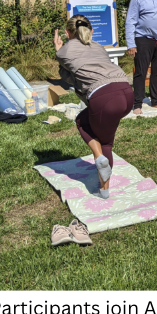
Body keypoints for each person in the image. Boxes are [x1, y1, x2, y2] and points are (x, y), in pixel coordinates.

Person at [54, 15, 134, 199]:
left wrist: (58, 50)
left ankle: (103, 184)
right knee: (84, 120)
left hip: (105, 98)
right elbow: (76, 76)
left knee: (103, 142)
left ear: (67, 32)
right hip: (126, 92)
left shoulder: (64, 51)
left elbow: (68, 75)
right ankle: (102, 165)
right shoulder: (98, 46)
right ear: (92, 31)